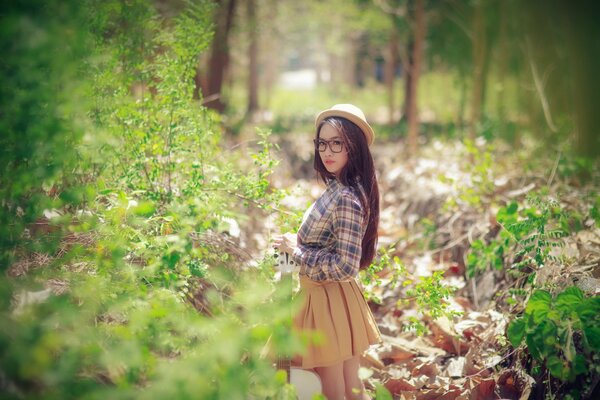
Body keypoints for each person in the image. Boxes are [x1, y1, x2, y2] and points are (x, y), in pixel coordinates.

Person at [274, 104, 382, 400]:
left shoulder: (346, 196)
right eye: (322, 143)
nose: (327, 151)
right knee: (350, 390)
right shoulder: (342, 186)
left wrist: (297, 253)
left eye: (337, 143)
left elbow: (346, 265)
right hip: (336, 299)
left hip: (327, 301)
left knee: (334, 391)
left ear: (354, 146)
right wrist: (295, 242)